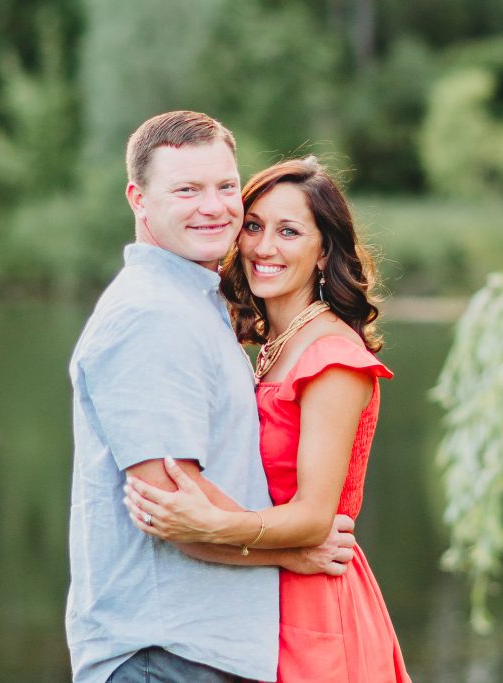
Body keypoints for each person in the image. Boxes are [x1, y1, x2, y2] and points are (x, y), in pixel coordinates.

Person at [66, 113, 357, 683]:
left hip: (193, 650)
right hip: (162, 651)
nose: (214, 207)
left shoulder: (194, 303)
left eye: (226, 187)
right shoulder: (151, 314)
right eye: (187, 190)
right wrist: (291, 553)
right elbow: (174, 509)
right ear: (139, 200)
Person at [125, 156, 413, 682]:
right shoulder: (268, 348)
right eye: (254, 226)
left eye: (289, 232)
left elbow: (314, 518)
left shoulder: (332, 358)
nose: (263, 247)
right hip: (262, 595)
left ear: (324, 251)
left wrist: (210, 525)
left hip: (315, 606)